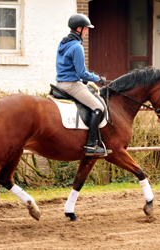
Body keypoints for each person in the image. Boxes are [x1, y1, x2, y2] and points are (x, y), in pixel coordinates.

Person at [56, 13, 112, 156]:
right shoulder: (77, 46)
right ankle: (91, 145)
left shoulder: (63, 43)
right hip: (71, 85)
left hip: (60, 83)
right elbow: (81, 72)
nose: (87, 32)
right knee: (98, 107)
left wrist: (85, 78)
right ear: (79, 29)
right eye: (86, 29)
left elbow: (70, 68)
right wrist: (98, 78)